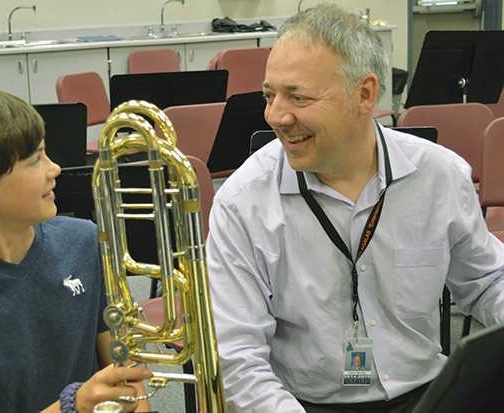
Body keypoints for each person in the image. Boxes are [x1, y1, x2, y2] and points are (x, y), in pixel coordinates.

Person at [206, 3, 504, 413]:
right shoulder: (243, 203)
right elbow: (238, 362)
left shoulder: (439, 175)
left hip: (428, 393)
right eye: (269, 94)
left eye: (298, 96)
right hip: (303, 404)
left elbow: (488, 280)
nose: (275, 115)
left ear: (364, 94)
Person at [0, 86, 152, 413]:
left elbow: (125, 378)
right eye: (35, 161)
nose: (54, 169)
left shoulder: (84, 241)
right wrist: (72, 407)